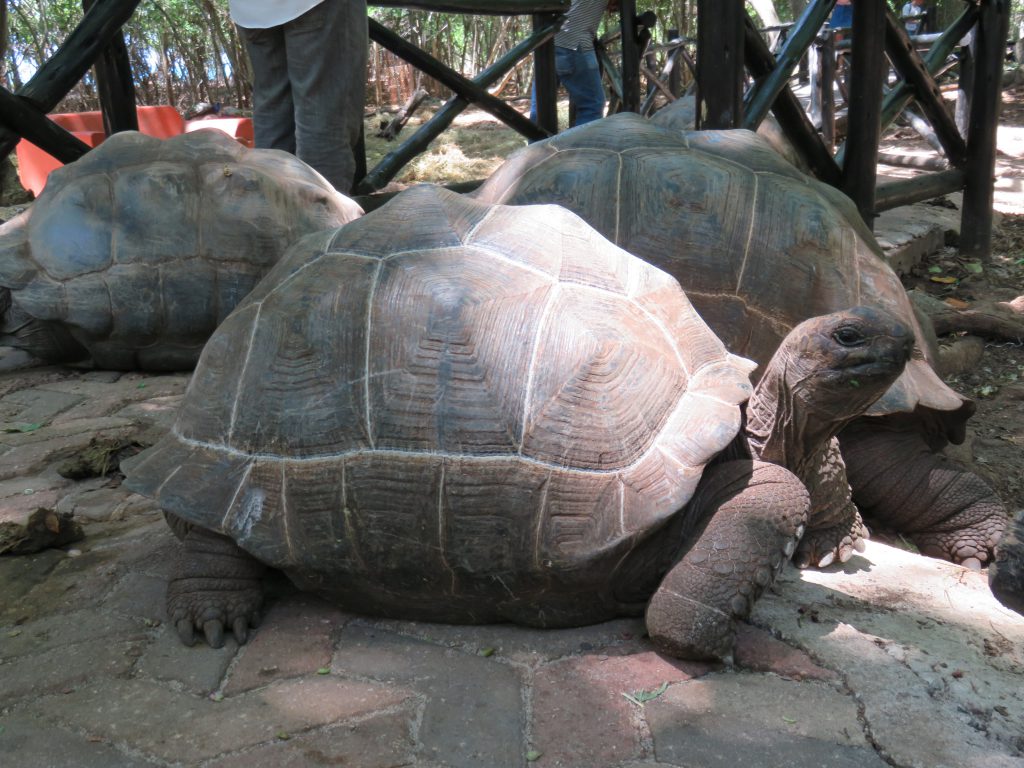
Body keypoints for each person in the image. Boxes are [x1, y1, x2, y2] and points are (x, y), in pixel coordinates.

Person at [229, 0, 367, 193]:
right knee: (322, 119)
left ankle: (273, 217)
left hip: (250, 10)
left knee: (272, 111)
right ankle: (323, 221)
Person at [531, 0, 615, 128]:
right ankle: (579, 147)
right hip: (574, 43)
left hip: (546, 39)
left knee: (540, 106)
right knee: (592, 105)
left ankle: (536, 146)